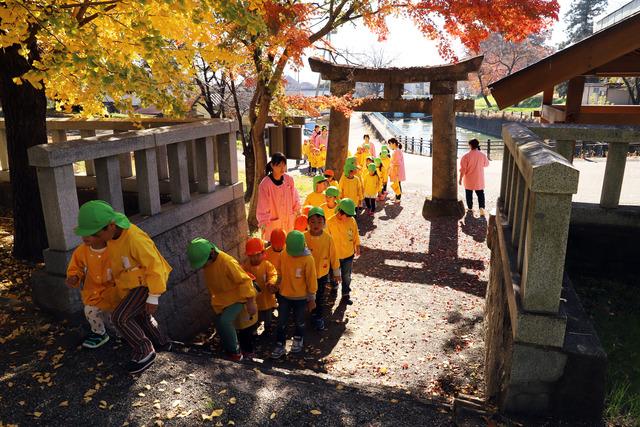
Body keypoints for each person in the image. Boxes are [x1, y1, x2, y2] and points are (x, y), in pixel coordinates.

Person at [74, 200, 171, 374]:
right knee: (141, 316)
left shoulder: (134, 238)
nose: (91, 240)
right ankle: (162, 342)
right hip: (130, 283)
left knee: (120, 317)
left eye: (95, 235)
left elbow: (154, 266)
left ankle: (145, 350)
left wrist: (153, 296)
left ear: (110, 226)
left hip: (146, 283)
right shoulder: (111, 236)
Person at [187, 238, 257, 362]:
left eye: (204, 263)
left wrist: (250, 302)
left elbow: (245, 281)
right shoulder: (209, 264)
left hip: (238, 297)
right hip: (222, 300)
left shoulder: (227, 262)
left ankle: (235, 352)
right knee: (219, 323)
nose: (203, 267)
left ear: (212, 254)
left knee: (225, 321)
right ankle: (228, 348)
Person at [66, 235, 118, 349]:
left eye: (91, 233)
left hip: (113, 291)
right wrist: (74, 276)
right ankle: (99, 333)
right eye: (83, 233)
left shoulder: (114, 249)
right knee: (90, 311)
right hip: (93, 292)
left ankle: (121, 333)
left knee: (112, 316)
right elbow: (76, 267)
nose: (85, 237)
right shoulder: (81, 251)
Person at [271, 231, 317, 359]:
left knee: (300, 321)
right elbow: (279, 271)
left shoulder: (308, 259)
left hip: (301, 298)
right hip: (284, 295)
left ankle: (298, 337)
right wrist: (276, 282)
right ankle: (280, 344)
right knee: (281, 321)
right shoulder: (284, 254)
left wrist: (311, 298)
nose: (295, 256)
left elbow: (311, 280)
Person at [304, 207, 341, 331]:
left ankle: (318, 317)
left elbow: (334, 256)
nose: (316, 225)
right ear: (308, 223)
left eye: (319, 222)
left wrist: (336, 272)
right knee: (307, 295)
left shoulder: (328, 238)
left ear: (324, 223)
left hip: (322, 274)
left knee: (319, 296)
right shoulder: (303, 237)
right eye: (313, 221)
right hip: (306, 274)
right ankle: (305, 315)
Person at [257, 152, 301, 240]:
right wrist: (263, 221)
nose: (282, 169)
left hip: (288, 220)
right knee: (275, 246)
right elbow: (262, 205)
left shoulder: (289, 180)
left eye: (284, 165)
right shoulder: (265, 184)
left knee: (288, 246)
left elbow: (294, 196)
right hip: (273, 223)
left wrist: (297, 209)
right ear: (272, 165)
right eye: (279, 166)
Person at [242, 238, 278, 338]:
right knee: (255, 316)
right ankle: (254, 328)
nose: (255, 258)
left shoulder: (267, 265)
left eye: (258, 255)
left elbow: (273, 274)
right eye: (252, 256)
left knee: (267, 315)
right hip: (254, 299)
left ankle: (268, 327)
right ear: (248, 256)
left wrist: (271, 282)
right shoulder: (246, 266)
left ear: (263, 253)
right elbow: (242, 276)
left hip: (266, 296)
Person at [327, 198, 360, 305]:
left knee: (347, 276)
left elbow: (355, 233)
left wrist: (357, 245)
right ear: (340, 212)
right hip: (334, 257)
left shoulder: (352, 221)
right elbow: (326, 240)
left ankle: (346, 294)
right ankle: (334, 287)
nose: (351, 217)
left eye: (352, 215)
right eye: (348, 215)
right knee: (333, 275)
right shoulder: (330, 222)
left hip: (348, 255)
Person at [459, 138, 490, 216]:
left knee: (469, 194)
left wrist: (460, 179)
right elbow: (486, 164)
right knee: (480, 194)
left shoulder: (466, 156)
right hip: (479, 178)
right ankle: (482, 208)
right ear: (477, 145)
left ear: (470, 145)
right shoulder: (482, 154)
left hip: (469, 179)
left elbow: (463, 169)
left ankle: (470, 208)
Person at [388, 138, 406, 205]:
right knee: (397, 184)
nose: (389, 145)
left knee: (398, 184)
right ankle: (396, 196)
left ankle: (398, 198)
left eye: (390, 144)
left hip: (397, 171)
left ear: (393, 143)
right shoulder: (397, 150)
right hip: (397, 170)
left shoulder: (396, 151)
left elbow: (397, 162)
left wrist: (391, 164)